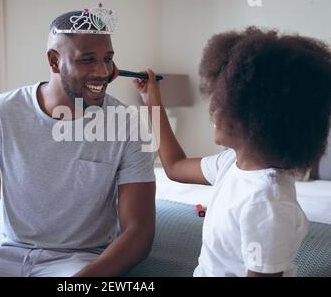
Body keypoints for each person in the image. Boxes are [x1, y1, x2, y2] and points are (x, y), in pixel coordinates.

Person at [0, 7, 156, 277]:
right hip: (6, 256)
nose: (104, 71)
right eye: (88, 60)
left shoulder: (127, 125)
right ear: (54, 61)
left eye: (108, 58)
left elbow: (138, 231)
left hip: (78, 263)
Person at [133, 27, 331, 277]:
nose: (213, 112)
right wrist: (153, 102)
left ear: (258, 118)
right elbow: (174, 166)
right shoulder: (231, 164)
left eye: (223, 103)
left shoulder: (267, 203)